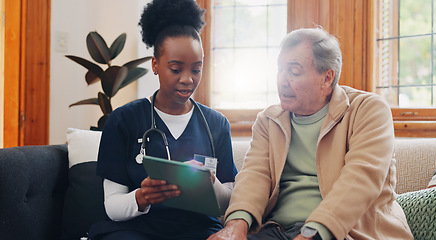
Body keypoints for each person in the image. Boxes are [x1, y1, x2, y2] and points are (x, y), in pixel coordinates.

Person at [208, 27, 414, 240]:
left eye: (294, 71)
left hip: (344, 233)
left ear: (327, 78)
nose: (282, 80)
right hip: (278, 230)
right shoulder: (269, 120)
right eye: (280, 69)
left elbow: (360, 180)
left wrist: (311, 234)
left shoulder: (367, 110)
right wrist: (236, 226)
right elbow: (254, 176)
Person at [88, 0, 237, 239]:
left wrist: (212, 184)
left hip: (197, 230)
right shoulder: (123, 120)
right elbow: (112, 206)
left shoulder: (217, 124)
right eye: (176, 69)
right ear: (155, 65)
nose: (188, 79)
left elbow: (228, 201)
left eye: (196, 69)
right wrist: (141, 197)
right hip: (137, 230)